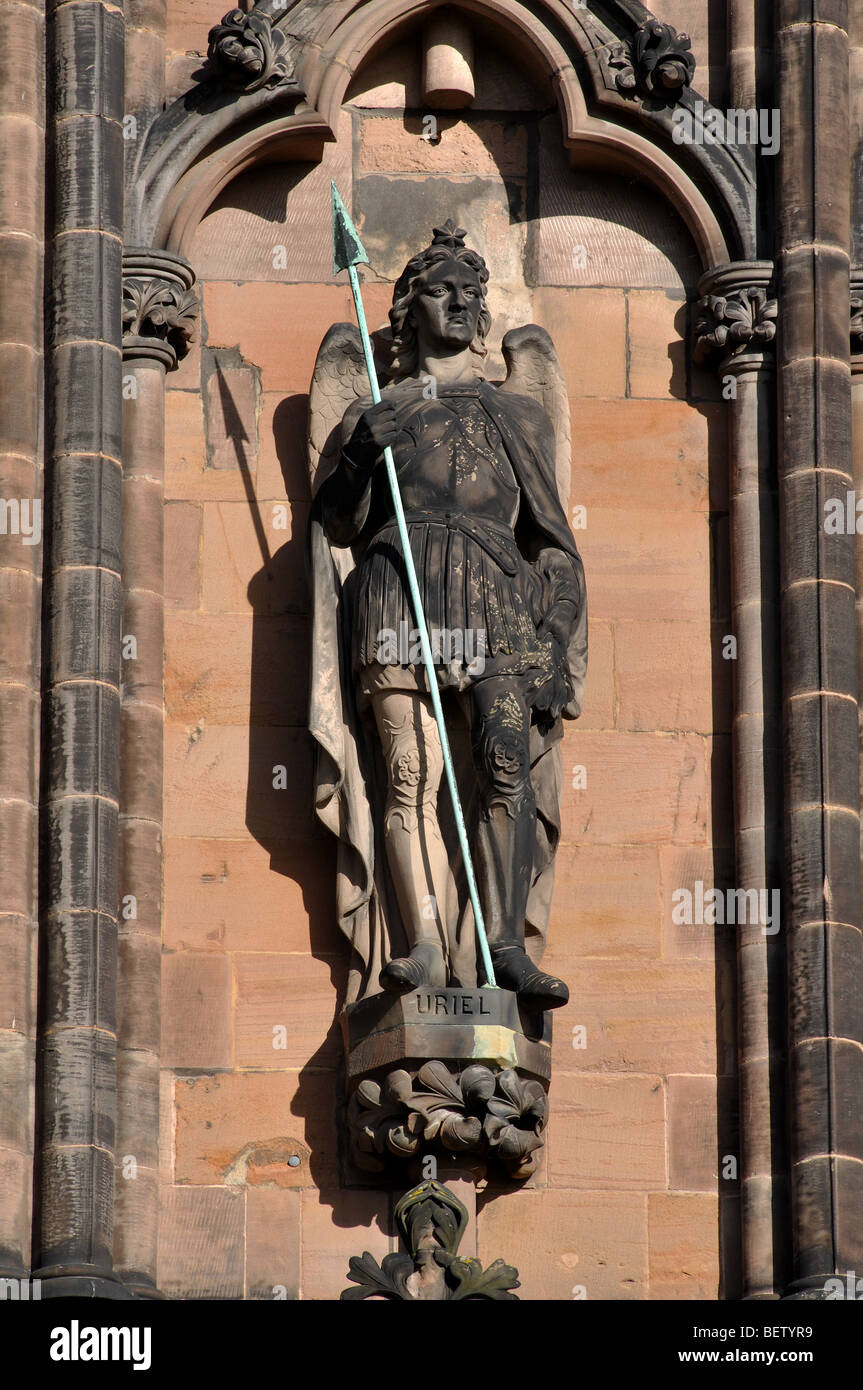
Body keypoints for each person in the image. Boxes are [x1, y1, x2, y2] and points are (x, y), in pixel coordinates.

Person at [313, 221, 586, 1011]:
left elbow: (556, 546)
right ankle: (423, 945)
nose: (461, 302)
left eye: (473, 291)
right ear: (407, 307)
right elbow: (334, 523)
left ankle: (503, 945)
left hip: (493, 593)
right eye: (441, 289)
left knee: (503, 765)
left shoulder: (514, 415)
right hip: (396, 582)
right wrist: (361, 452)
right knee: (404, 774)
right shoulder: (374, 411)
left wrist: (553, 639)